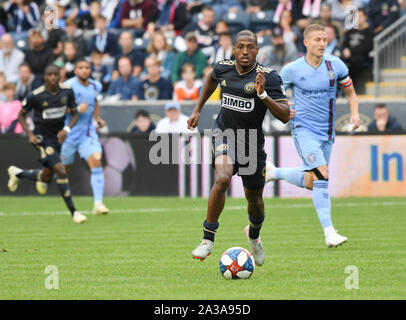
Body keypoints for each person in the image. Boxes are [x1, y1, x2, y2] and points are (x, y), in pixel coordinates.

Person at [187, 30, 290, 265]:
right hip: (224, 132)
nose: (245, 51)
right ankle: (207, 239)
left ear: (257, 49)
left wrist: (263, 94)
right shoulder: (223, 67)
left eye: (250, 47)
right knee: (222, 179)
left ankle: (253, 237)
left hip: (252, 144)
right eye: (240, 46)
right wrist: (197, 109)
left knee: (254, 199)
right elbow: (211, 79)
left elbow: (285, 116)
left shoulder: (269, 77)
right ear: (234, 48)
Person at [266, 24, 361, 248]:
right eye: (317, 39)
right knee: (322, 174)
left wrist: (355, 114)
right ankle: (329, 232)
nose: (322, 43)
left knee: (312, 181)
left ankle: (274, 172)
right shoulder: (292, 69)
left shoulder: (335, 65)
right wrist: (284, 105)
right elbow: (274, 92)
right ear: (306, 42)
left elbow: (350, 90)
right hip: (303, 130)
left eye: (325, 40)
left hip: (327, 132)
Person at [7, 64, 86, 224]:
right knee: (61, 171)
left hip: (58, 138)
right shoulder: (36, 95)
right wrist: (29, 134)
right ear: (45, 77)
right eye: (50, 75)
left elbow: (76, 113)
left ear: (59, 76)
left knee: (46, 177)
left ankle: (17, 173)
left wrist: (66, 129)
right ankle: (74, 212)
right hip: (42, 138)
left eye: (56, 74)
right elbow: (21, 115)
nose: (53, 78)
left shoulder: (67, 91)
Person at [57, 59, 109, 216]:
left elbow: (95, 103)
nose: (84, 70)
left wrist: (98, 118)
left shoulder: (95, 86)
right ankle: (40, 177)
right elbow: (59, 108)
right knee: (62, 170)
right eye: (81, 68)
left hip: (87, 133)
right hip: (69, 133)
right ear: (75, 70)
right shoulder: (68, 86)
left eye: (87, 67)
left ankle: (98, 204)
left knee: (96, 161)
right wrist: (78, 109)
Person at [342, 8, 374, 94]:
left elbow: (366, 47)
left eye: (360, 16)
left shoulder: (370, 32)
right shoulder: (350, 31)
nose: (358, 19)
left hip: (363, 61)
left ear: (365, 17)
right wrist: (345, 50)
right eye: (356, 17)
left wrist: (350, 51)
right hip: (349, 60)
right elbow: (344, 45)